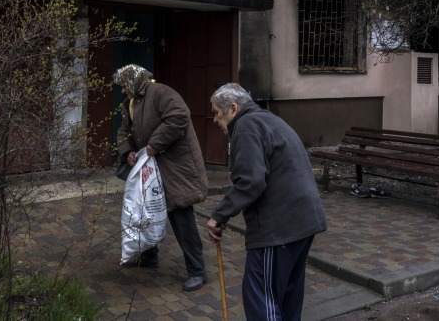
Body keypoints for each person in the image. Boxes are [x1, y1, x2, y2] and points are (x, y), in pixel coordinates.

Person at [206, 83, 327, 321]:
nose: (214, 120)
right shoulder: (268, 119)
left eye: (216, 113)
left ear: (232, 108)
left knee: (262, 297)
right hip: (302, 221)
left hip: (279, 228)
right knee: (287, 297)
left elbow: (250, 182)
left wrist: (219, 215)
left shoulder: (246, 126)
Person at [113, 64, 209, 292]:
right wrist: (128, 152)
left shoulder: (161, 93)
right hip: (148, 167)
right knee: (144, 210)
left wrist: (154, 145)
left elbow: (179, 117)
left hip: (174, 167)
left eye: (124, 86)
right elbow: (123, 131)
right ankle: (149, 256)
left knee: (181, 216)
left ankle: (198, 271)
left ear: (135, 82)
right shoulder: (130, 103)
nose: (123, 91)